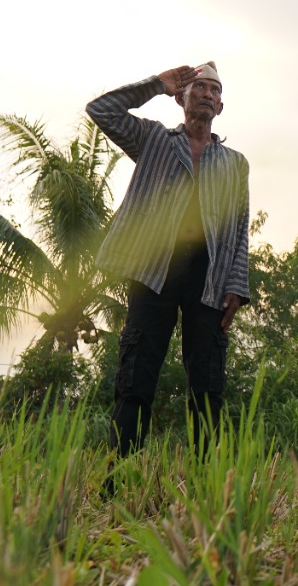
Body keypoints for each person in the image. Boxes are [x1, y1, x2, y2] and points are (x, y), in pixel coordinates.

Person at [86, 62, 250, 457]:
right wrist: (156, 84)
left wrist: (237, 285)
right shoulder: (154, 139)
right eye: (199, 87)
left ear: (221, 105)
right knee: (136, 374)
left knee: (207, 383)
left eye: (214, 89)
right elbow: (101, 110)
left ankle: (206, 483)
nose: (207, 94)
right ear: (182, 98)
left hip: (209, 278)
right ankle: (119, 474)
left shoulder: (234, 163)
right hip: (153, 271)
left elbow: (239, 226)